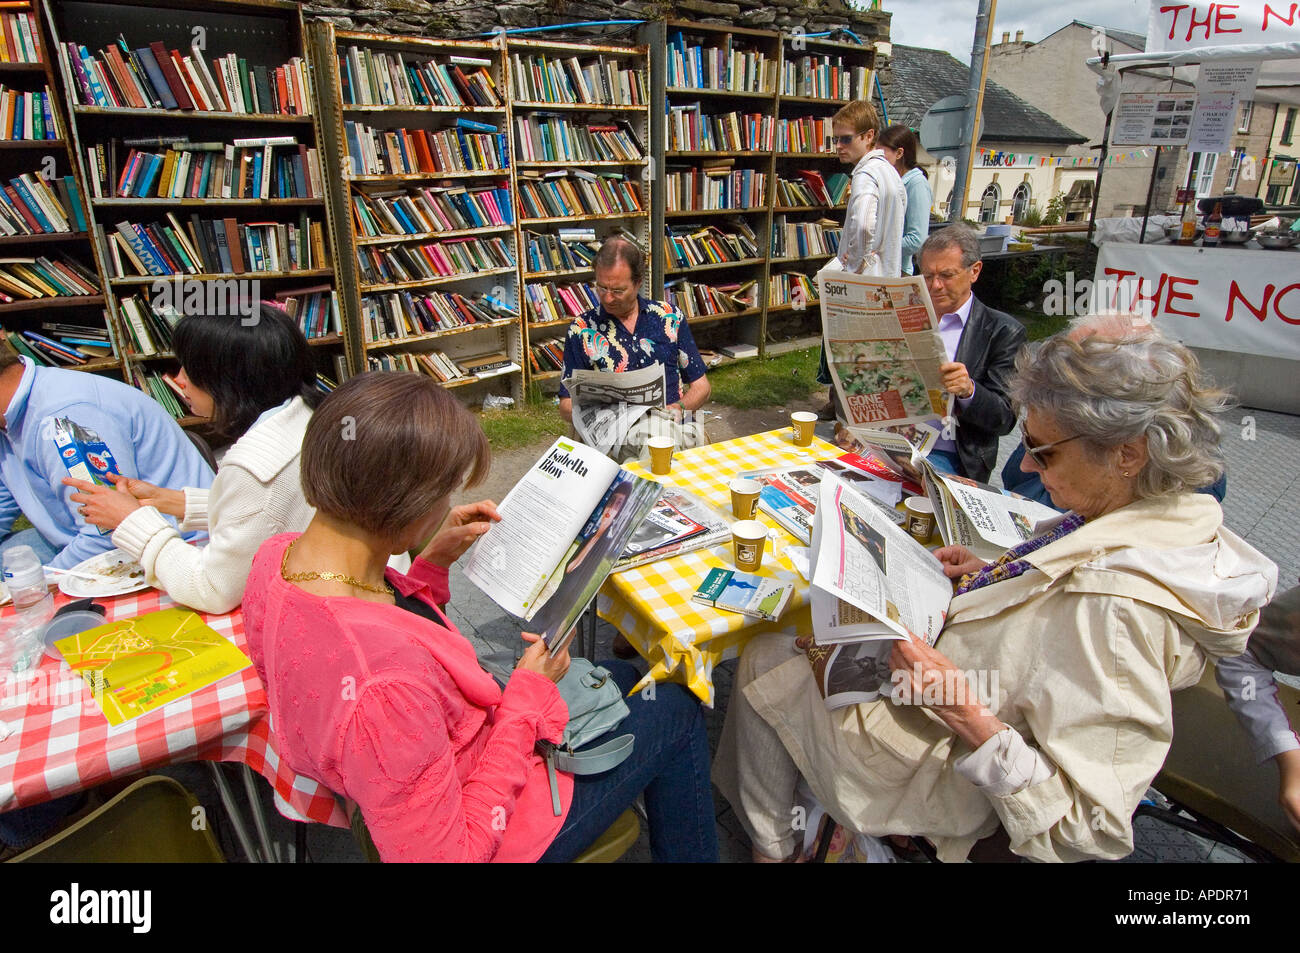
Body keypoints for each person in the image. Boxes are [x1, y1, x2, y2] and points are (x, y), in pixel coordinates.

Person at [714, 320, 1279, 862]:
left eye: (1045, 450)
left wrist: (958, 705)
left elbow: (1089, 830)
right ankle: (793, 826)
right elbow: (1061, 581)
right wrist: (995, 568)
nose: (1028, 464)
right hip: (950, 684)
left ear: (1127, 453)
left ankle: (775, 846)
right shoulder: (1160, 516)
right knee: (808, 632)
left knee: (767, 653)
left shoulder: (1114, 613)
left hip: (942, 756)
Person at [242, 372, 717, 862]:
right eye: (442, 493)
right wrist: (528, 699)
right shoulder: (385, 690)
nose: (446, 505)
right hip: (501, 824)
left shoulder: (275, 560)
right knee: (679, 705)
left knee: (621, 675)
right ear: (404, 502)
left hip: (433, 763)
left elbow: (375, 621)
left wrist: (430, 563)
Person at [64, 304, 320, 614]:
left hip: (301, 609)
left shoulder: (255, 468)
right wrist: (169, 501)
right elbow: (268, 515)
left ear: (229, 379)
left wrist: (131, 522)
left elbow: (213, 590)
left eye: (189, 368)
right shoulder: (304, 414)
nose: (179, 379)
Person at [0, 349, 212, 570]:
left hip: (172, 544)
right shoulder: (10, 412)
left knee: (21, 583)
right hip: (80, 535)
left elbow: (106, 535)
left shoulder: (62, 420)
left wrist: (42, 582)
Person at [558, 237, 709, 457]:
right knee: (654, 447)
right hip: (612, 433)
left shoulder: (668, 317)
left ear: (638, 283)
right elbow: (566, 404)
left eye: (618, 290)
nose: (608, 298)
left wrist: (679, 408)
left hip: (669, 421)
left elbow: (701, 386)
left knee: (658, 440)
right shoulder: (582, 329)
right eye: (601, 288)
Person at [817, 100, 907, 420]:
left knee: (852, 369)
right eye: (835, 139)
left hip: (863, 290)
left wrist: (853, 265)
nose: (838, 146)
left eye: (845, 139)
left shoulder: (866, 174)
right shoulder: (891, 173)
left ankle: (848, 437)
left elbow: (865, 224)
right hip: (886, 285)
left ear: (868, 136)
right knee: (872, 372)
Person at [914, 224, 1026, 482]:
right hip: (888, 440)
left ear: (974, 271)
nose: (935, 286)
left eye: (946, 275)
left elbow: (1004, 418)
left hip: (949, 453)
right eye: (927, 276)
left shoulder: (1002, 331)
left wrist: (968, 390)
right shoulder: (904, 314)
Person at [877, 125, 931, 276]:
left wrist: (879, 248)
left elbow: (917, 239)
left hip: (898, 271)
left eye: (881, 154)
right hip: (880, 268)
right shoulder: (890, 181)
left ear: (899, 153)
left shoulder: (916, 184)